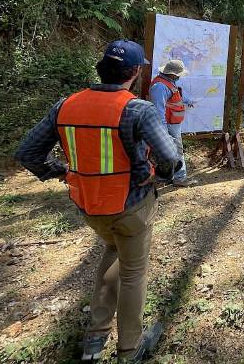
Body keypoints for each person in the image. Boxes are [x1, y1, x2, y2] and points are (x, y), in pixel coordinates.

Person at [14, 40, 181, 363]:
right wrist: (156, 176)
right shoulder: (136, 108)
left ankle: (95, 337)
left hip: (89, 206)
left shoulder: (66, 105)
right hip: (131, 205)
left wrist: (62, 172)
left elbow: (27, 153)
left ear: (101, 68)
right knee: (133, 273)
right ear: (133, 72)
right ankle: (130, 349)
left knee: (112, 251)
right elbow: (170, 157)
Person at [149, 59, 197, 187]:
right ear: (172, 74)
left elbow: (177, 96)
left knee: (172, 150)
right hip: (169, 125)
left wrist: (188, 101)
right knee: (176, 150)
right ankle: (180, 178)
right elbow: (159, 111)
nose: (179, 76)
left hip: (173, 124)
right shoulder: (159, 87)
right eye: (178, 74)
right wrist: (163, 132)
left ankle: (169, 176)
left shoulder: (168, 83)